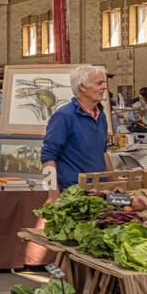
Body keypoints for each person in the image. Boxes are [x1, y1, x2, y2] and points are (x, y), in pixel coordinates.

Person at [40, 65, 110, 196]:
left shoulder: (101, 116)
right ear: (83, 87)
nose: (104, 87)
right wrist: (53, 194)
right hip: (74, 194)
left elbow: (103, 152)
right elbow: (48, 157)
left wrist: (114, 183)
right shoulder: (64, 116)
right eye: (99, 83)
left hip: (100, 191)